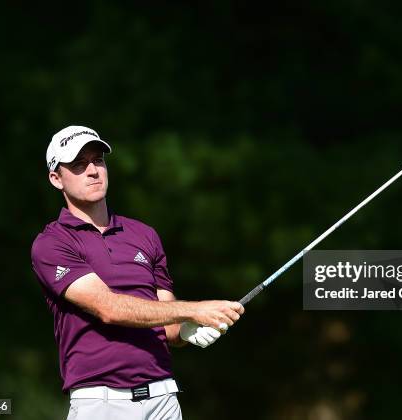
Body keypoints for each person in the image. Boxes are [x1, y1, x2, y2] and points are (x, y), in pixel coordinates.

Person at [31, 125, 244, 420]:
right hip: (100, 402)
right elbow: (109, 308)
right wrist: (195, 310)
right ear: (57, 179)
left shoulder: (144, 234)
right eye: (79, 165)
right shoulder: (53, 243)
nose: (93, 171)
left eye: (98, 160)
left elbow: (167, 323)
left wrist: (187, 328)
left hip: (163, 397)